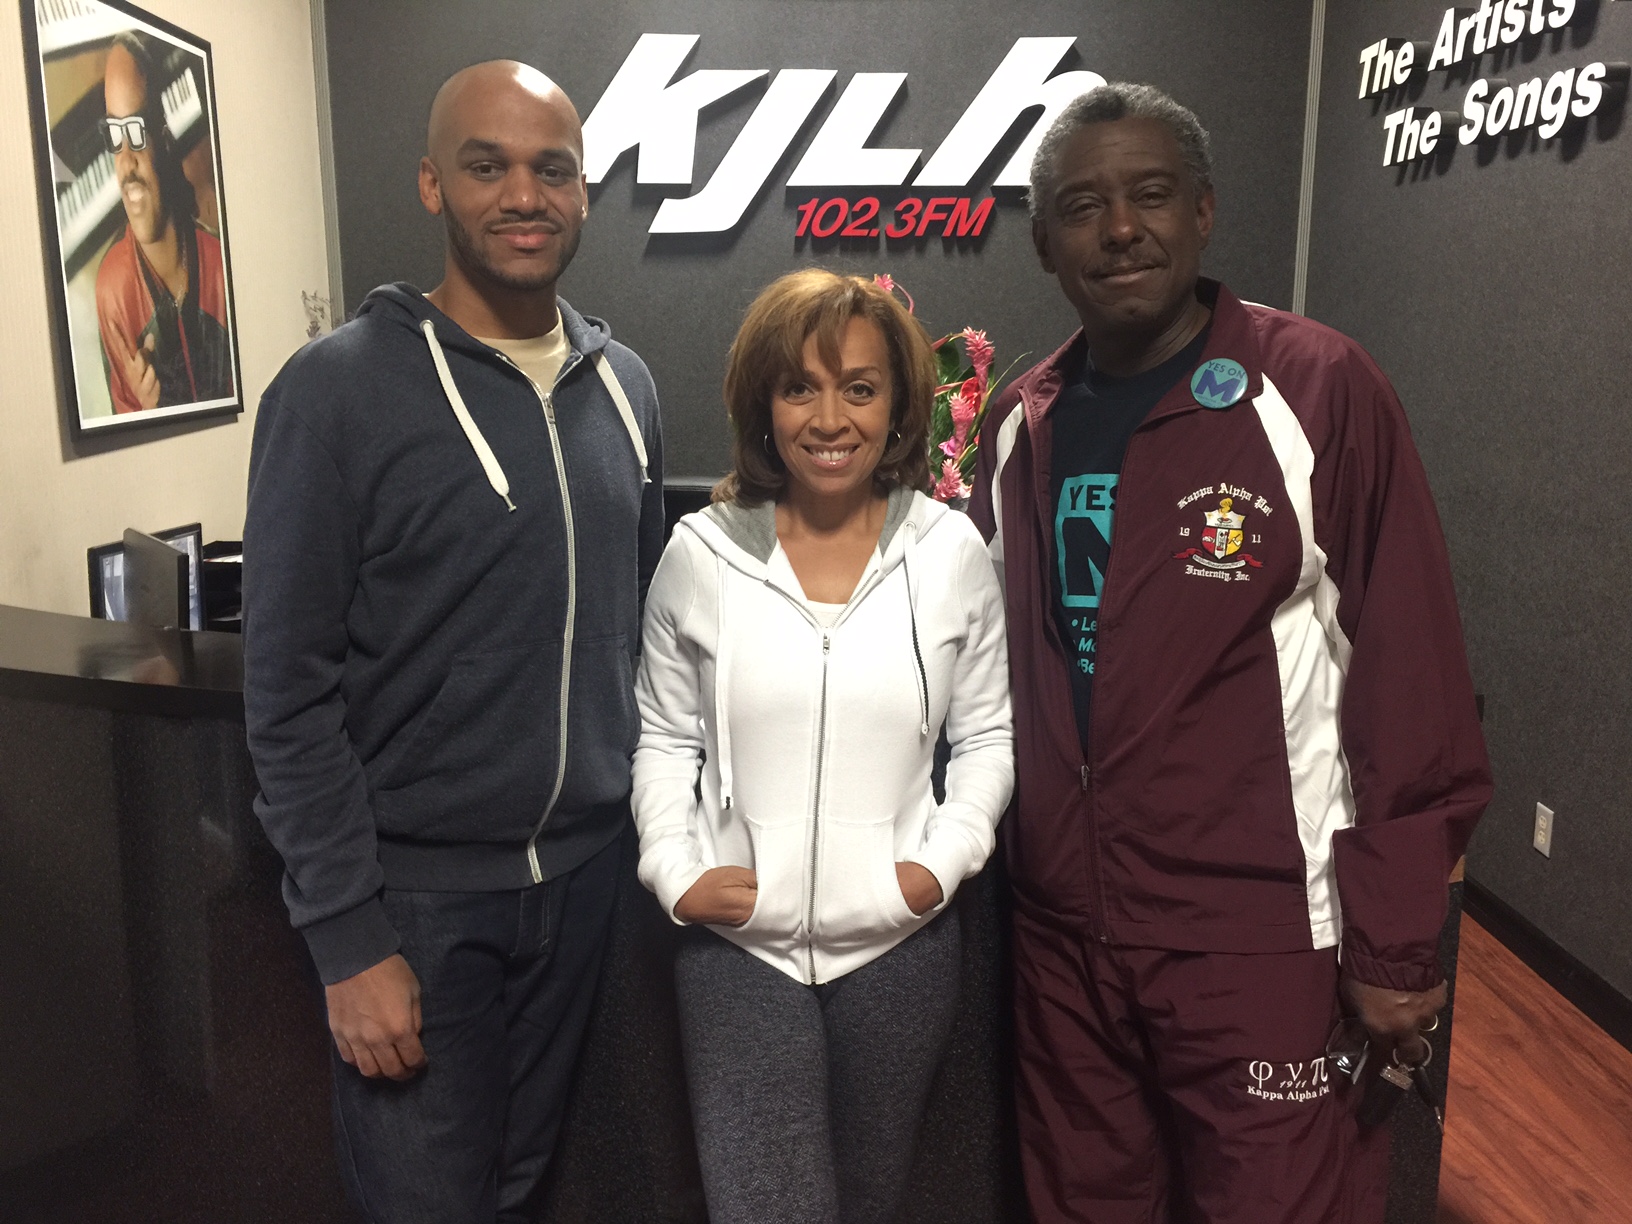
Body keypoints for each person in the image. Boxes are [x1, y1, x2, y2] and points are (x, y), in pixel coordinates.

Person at [969, 83, 1491, 1224]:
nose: (1120, 229)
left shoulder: (1316, 388)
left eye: (1150, 195)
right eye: (1082, 207)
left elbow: (1412, 684)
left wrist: (1397, 943)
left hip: (1259, 938)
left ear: (1204, 211)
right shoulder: (1019, 426)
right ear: (1045, 243)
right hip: (1064, 939)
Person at [242, 62, 664, 1223]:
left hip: (586, 885)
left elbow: (641, 631)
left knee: (526, 1192)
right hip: (416, 906)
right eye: (487, 166)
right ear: (433, 184)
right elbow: (284, 692)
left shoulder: (625, 387)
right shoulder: (334, 393)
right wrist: (346, 940)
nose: (523, 195)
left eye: (551, 169)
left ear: (584, 192)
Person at [632, 269, 1014, 1224]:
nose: (830, 418)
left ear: (900, 407)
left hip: (898, 944)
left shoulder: (950, 553)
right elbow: (665, 737)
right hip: (739, 951)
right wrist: (674, 869)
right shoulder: (701, 553)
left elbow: (987, 736)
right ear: (763, 404)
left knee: (871, 1201)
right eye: (800, 387)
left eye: (860, 387)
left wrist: (937, 865)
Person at [94, 31, 232, 413]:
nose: (125, 161)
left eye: (136, 132)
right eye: (114, 134)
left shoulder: (220, 264)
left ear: (165, 138)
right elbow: (123, 424)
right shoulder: (111, 290)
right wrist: (146, 410)